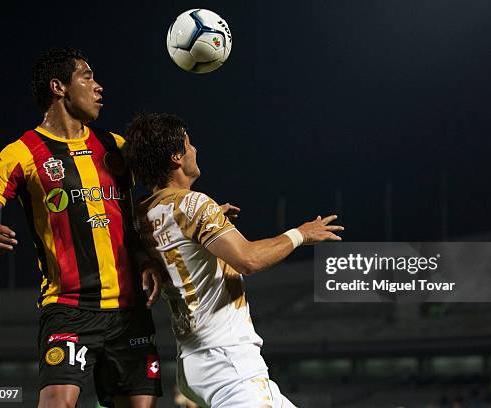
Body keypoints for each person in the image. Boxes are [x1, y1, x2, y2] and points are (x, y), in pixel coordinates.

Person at [0, 48, 162, 408]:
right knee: (56, 403)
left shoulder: (115, 146)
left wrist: (156, 249)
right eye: (87, 76)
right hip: (68, 307)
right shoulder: (20, 153)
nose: (99, 87)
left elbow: (145, 209)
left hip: (129, 310)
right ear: (59, 87)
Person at [123, 112, 344, 407]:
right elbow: (248, 260)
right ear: (176, 156)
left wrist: (210, 225)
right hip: (228, 364)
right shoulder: (195, 205)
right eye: (189, 144)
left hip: (194, 360)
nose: (195, 150)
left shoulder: (142, 214)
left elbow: (171, 243)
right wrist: (301, 234)